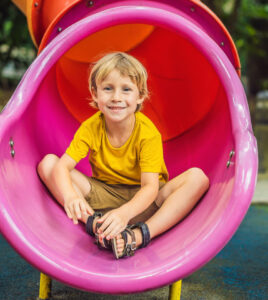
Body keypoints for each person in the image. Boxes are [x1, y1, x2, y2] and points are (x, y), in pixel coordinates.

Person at [37, 52, 209, 259]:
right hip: (103, 196)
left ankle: (137, 236)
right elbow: (62, 167)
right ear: (95, 93)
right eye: (108, 89)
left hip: (146, 202)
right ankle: (97, 225)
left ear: (140, 96)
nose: (116, 97)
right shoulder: (91, 127)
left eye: (126, 90)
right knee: (48, 164)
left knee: (198, 178)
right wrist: (71, 197)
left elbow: (150, 188)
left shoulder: (147, 133)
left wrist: (124, 214)